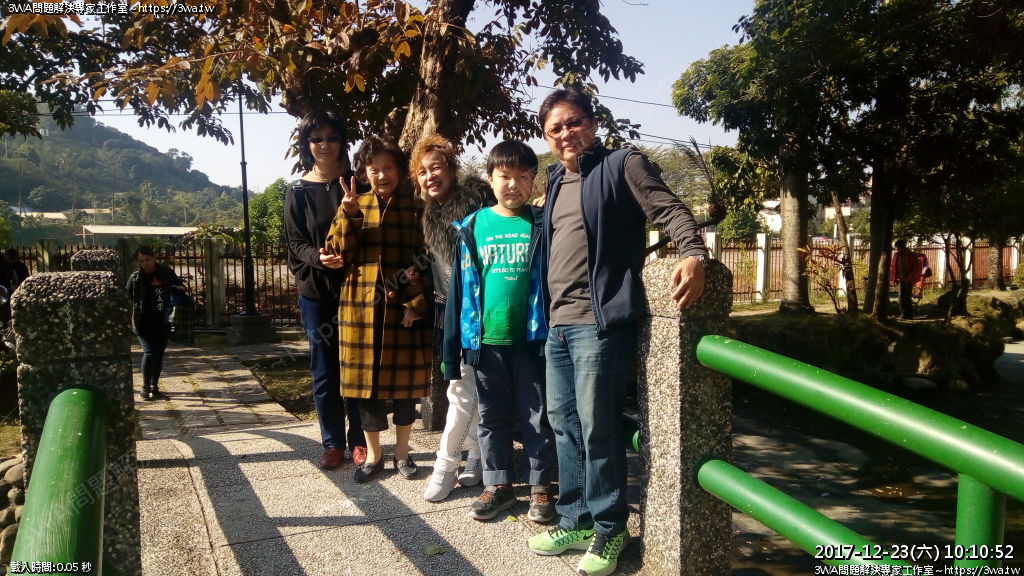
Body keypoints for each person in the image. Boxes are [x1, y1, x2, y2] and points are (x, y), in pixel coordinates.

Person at [527, 88, 708, 576]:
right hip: (558, 324)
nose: (566, 133)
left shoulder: (622, 164)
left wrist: (693, 252)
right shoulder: (555, 181)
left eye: (574, 122)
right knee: (564, 425)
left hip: (598, 322)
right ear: (546, 137)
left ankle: (611, 529)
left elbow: (668, 209)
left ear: (592, 122)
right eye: (555, 128)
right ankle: (576, 519)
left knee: (598, 427)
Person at [443, 140, 556, 522]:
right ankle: (499, 485)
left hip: (532, 340)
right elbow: (460, 290)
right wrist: (454, 349)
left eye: (523, 177)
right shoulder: (474, 226)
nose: (513, 185)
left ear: (533, 181)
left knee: (537, 416)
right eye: (504, 176)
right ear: (490, 179)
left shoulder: (541, 222)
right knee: (492, 416)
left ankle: (540, 487)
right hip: (487, 341)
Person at [326, 137, 432, 484]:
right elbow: (337, 251)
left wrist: (415, 303)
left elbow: (425, 257)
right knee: (364, 385)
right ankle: (374, 456)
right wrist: (350, 215)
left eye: (388, 168)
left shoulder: (416, 207)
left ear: (400, 170)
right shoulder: (354, 204)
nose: (382, 175)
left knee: (405, 386)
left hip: (402, 305)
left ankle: (402, 453)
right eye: (374, 169)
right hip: (360, 306)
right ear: (365, 173)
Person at [284, 109, 368, 470]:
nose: (325, 145)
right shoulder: (298, 190)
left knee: (358, 367)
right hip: (316, 295)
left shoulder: (359, 184)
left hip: (357, 292)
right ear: (307, 144)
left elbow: (373, 232)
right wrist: (319, 258)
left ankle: (360, 440)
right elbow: (295, 243)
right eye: (317, 138)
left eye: (332, 138)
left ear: (342, 142)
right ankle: (332, 443)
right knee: (324, 371)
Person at [413, 135, 495, 502]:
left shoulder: (478, 201)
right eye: (422, 172)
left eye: (435, 167)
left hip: (481, 307)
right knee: (465, 387)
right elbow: (439, 267)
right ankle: (475, 455)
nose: (429, 176)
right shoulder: (430, 214)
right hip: (448, 309)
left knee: (463, 390)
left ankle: (445, 464)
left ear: (451, 167)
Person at [126, 245, 185, 400]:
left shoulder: (165, 272)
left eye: (148, 259)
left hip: (164, 320)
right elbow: (126, 298)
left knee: (159, 354)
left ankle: (154, 386)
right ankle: (145, 386)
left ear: (154, 258)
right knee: (150, 351)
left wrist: (178, 289)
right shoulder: (135, 278)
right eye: (141, 261)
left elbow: (181, 286)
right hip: (143, 321)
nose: (145, 263)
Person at [889, 239, 923, 320]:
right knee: (901, 297)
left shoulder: (912, 255)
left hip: (908, 279)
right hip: (900, 279)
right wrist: (894, 277)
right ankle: (903, 313)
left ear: (903, 246)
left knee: (906, 297)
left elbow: (916, 267)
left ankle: (909, 314)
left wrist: (911, 277)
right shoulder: (897, 255)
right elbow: (893, 266)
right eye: (897, 247)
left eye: (898, 247)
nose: (897, 249)